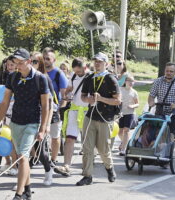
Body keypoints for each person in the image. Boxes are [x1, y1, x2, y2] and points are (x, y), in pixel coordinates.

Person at [0, 48, 49, 200]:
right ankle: (28, 191)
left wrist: (43, 128)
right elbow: (5, 102)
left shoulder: (40, 78)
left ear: (29, 61)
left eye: (20, 62)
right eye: (14, 62)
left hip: (32, 122)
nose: (17, 65)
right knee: (20, 156)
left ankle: (18, 195)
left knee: (23, 157)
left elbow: (45, 105)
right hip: (15, 122)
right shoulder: (12, 77)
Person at [76, 52, 120, 186]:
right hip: (90, 117)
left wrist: (101, 99)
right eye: (95, 61)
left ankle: (109, 168)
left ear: (106, 64)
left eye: (100, 62)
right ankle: (87, 176)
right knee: (87, 148)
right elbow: (83, 96)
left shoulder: (111, 79)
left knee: (103, 150)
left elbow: (117, 101)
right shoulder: (89, 78)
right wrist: (87, 99)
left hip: (105, 118)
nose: (97, 63)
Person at [54, 58, 89, 176]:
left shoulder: (91, 76)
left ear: (85, 67)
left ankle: (88, 166)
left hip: (87, 111)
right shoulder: (73, 76)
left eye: (79, 71)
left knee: (88, 140)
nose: (77, 73)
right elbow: (69, 89)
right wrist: (66, 95)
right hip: (74, 110)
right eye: (76, 71)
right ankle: (66, 165)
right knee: (70, 138)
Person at [148, 62, 175, 149]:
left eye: (171, 71)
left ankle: (169, 151)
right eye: (167, 71)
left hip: (173, 112)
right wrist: (151, 102)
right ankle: (159, 149)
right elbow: (151, 95)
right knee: (158, 131)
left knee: (170, 133)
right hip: (160, 111)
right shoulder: (158, 81)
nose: (168, 73)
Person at [30, 51, 54, 185]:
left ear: (40, 64)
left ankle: (48, 170)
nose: (31, 64)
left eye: (35, 61)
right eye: (30, 61)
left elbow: (49, 105)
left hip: (41, 119)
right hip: (26, 119)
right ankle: (23, 181)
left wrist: (47, 125)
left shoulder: (44, 78)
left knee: (40, 151)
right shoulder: (23, 77)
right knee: (24, 151)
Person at [43, 47, 68, 166]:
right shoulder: (39, 72)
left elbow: (64, 95)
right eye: (44, 58)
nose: (45, 61)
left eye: (48, 58)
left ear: (54, 60)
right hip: (40, 109)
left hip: (54, 109)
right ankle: (38, 156)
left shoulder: (59, 74)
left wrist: (59, 110)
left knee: (55, 135)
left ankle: (53, 159)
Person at [118, 75, 139, 156]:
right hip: (121, 113)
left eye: (132, 81)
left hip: (130, 113)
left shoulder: (134, 92)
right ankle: (124, 142)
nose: (131, 83)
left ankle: (123, 149)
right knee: (120, 132)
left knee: (126, 130)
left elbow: (137, 104)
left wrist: (132, 106)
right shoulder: (120, 90)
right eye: (129, 81)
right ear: (125, 81)